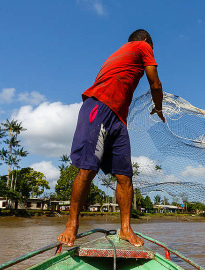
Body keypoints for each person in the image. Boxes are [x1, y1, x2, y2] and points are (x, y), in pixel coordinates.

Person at [58, 29, 165, 247]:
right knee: (88, 168)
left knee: (125, 176)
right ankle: (72, 225)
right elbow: (155, 83)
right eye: (151, 49)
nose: (151, 53)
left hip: (119, 118)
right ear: (146, 42)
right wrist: (158, 107)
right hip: (99, 106)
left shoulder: (122, 53)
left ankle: (126, 229)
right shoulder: (142, 46)